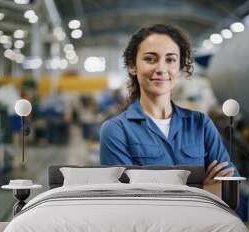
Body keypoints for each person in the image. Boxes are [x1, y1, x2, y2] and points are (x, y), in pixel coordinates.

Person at [99, 24, 239, 185]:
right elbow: (126, 199)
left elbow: (230, 181)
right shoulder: (116, 130)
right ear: (132, 66)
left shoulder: (200, 124)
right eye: (150, 59)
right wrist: (203, 191)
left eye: (170, 59)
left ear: (179, 68)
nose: (161, 68)